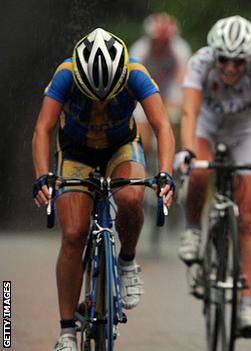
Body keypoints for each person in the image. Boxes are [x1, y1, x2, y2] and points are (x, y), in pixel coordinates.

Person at [31, 28, 175, 351]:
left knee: (131, 196)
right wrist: (43, 176)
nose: (100, 102)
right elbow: (43, 128)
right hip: (76, 152)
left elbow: (163, 125)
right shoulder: (66, 74)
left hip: (120, 147)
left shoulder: (135, 72)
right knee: (73, 234)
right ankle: (67, 332)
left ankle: (126, 261)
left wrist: (165, 173)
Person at [174, 15, 251, 338]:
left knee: (248, 221)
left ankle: (246, 304)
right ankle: (194, 230)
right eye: (224, 60)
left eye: (239, 62)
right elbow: (189, 112)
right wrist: (187, 151)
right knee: (198, 172)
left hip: (245, 134)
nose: (230, 68)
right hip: (206, 128)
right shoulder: (200, 62)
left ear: (249, 59)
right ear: (214, 55)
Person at [130, 12, 192, 154]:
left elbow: (184, 80)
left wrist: (177, 103)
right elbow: (132, 81)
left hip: (169, 91)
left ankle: (174, 156)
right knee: (141, 140)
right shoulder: (139, 49)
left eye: (165, 42)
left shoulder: (180, 48)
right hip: (143, 92)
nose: (161, 46)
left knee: (175, 122)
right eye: (157, 42)